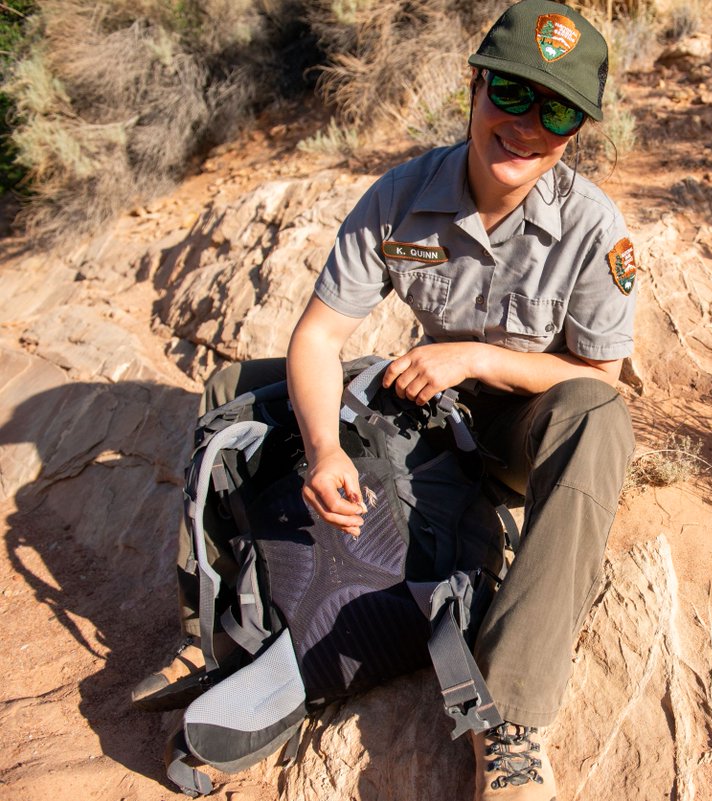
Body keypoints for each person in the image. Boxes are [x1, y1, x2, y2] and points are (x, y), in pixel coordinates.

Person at [132, 2, 636, 799]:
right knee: (234, 392)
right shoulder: (402, 196)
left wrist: (476, 355)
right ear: (474, 86)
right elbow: (317, 338)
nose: (526, 124)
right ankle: (252, 621)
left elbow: (601, 378)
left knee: (600, 421)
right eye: (510, 92)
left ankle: (508, 715)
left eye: (557, 109)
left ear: (575, 130)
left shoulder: (593, 229)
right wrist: (327, 450)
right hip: (424, 413)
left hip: (514, 430)